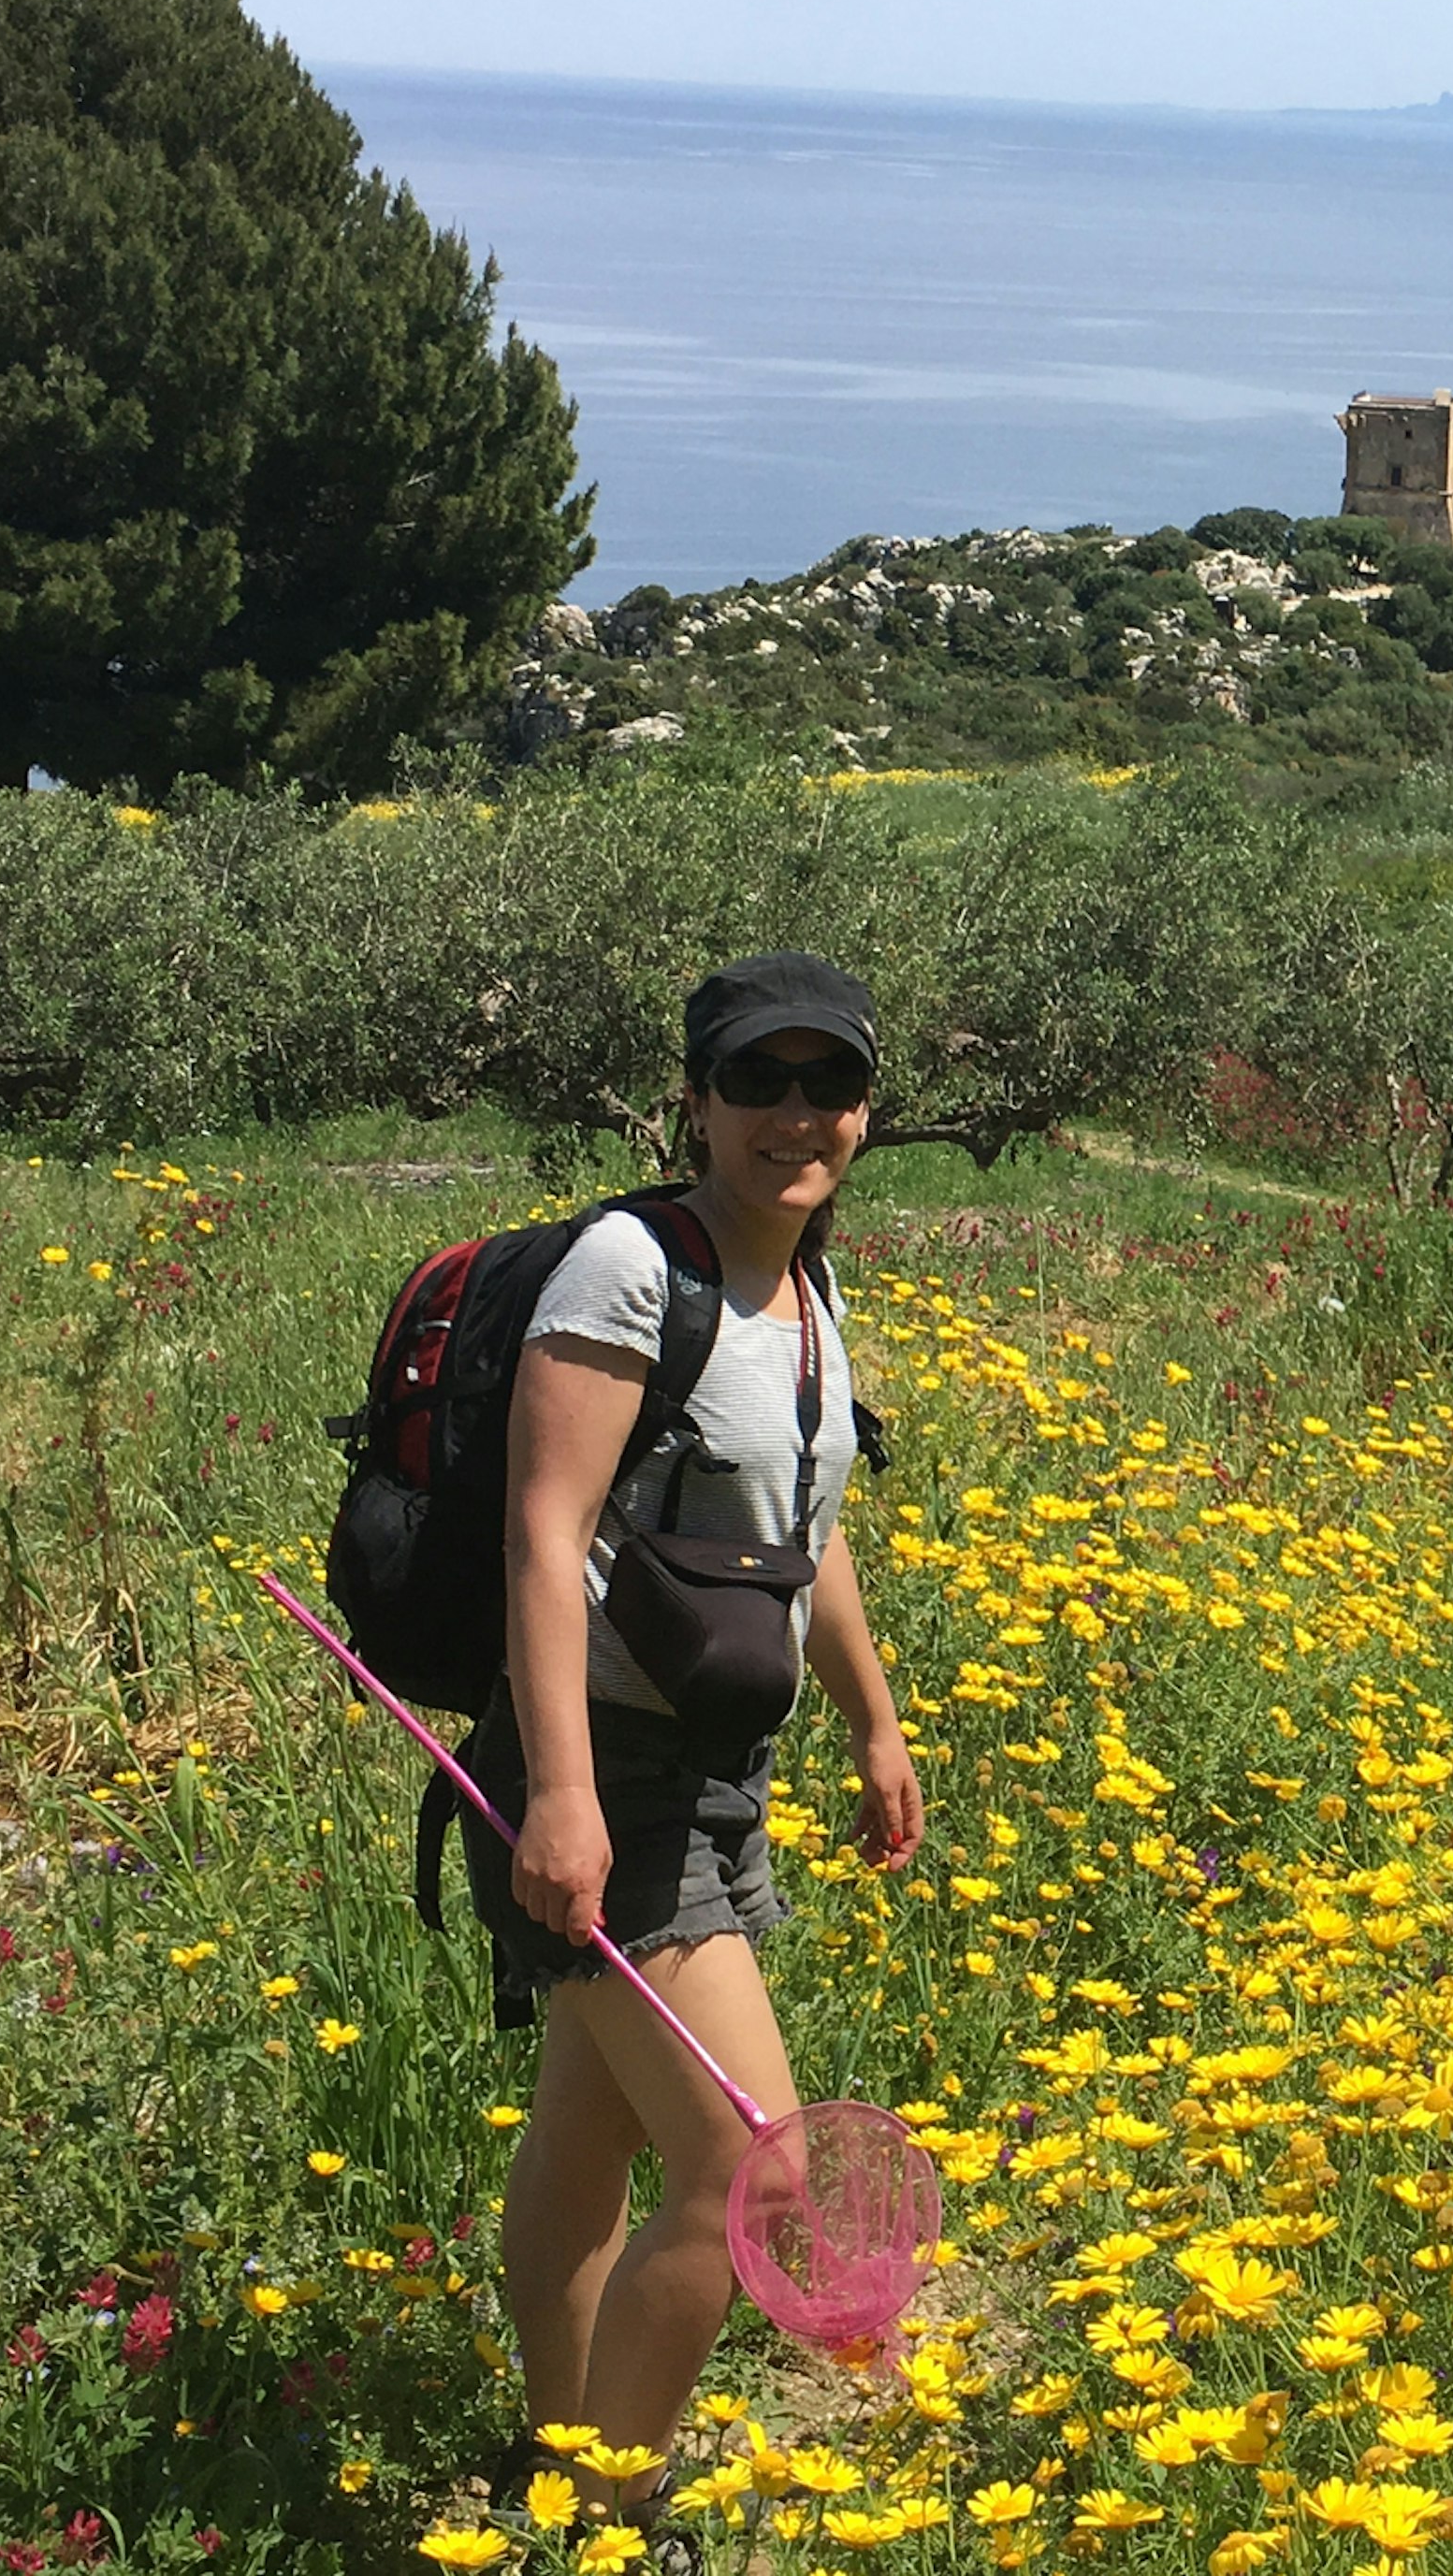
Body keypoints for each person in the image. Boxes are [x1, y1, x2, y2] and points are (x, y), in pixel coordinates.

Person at [470, 954, 924, 2535]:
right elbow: (545, 1533)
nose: (793, 1112)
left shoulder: (807, 1293)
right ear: (698, 1101)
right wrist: (563, 1798)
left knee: (588, 2121)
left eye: (827, 1082)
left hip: (722, 1781)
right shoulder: (629, 1268)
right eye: (757, 1080)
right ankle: (611, 2512)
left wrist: (873, 1718)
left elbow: (807, 1533)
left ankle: (548, 2447)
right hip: (613, 1778)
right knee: (756, 2181)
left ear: (865, 1111)